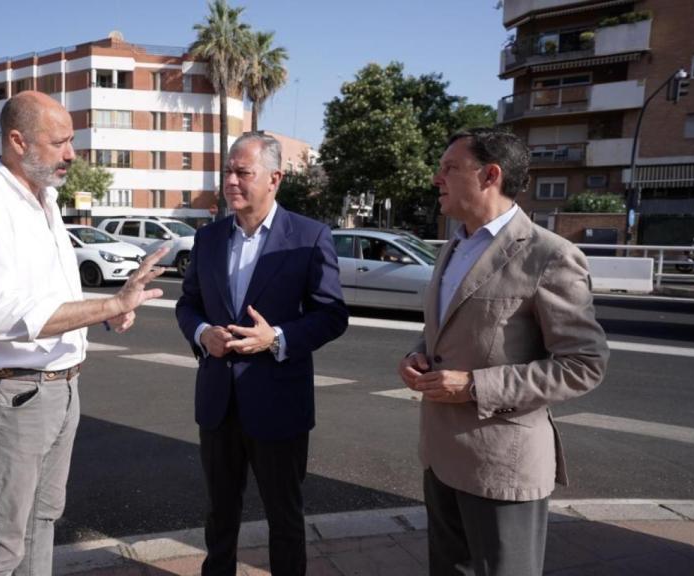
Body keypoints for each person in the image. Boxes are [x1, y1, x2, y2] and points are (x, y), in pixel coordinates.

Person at [0, 91, 167, 576]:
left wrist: (105, 313)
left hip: (58, 388)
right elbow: (1, 313)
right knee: (4, 543)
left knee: (41, 520)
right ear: (18, 141)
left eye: (72, 141)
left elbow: (51, 293)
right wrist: (109, 303)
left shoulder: (44, 199)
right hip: (13, 394)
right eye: (59, 142)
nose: (71, 153)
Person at [398, 128, 609, 576]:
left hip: (501, 467)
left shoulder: (549, 256)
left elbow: (583, 365)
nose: (437, 178)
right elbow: (444, 328)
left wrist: (475, 386)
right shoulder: (451, 248)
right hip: (440, 457)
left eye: (450, 168)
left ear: (490, 175)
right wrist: (418, 354)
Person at [175, 132, 348, 576]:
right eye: (227, 171)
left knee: (284, 518)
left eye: (242, 172)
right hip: (218, 403)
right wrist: (201, 334)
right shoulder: (209, 238)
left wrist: (276, 339)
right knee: (219, 513)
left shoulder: (309, 237)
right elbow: (187, 303)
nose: (230, 181)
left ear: (275, 178)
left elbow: (332, 315)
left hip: (278, 403)